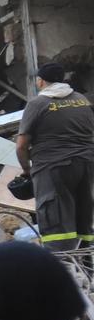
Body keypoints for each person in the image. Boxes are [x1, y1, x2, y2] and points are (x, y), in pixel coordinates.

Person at [16, 62, 94, 251]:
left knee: (55, 218)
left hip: (53, 167)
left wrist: (27, 170)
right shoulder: (82, 100)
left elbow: (21, 146)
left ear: (41, 81)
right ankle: (86, 268)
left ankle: (61, 266)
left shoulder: (38, 103)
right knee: (83, 214)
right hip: (87, 165)